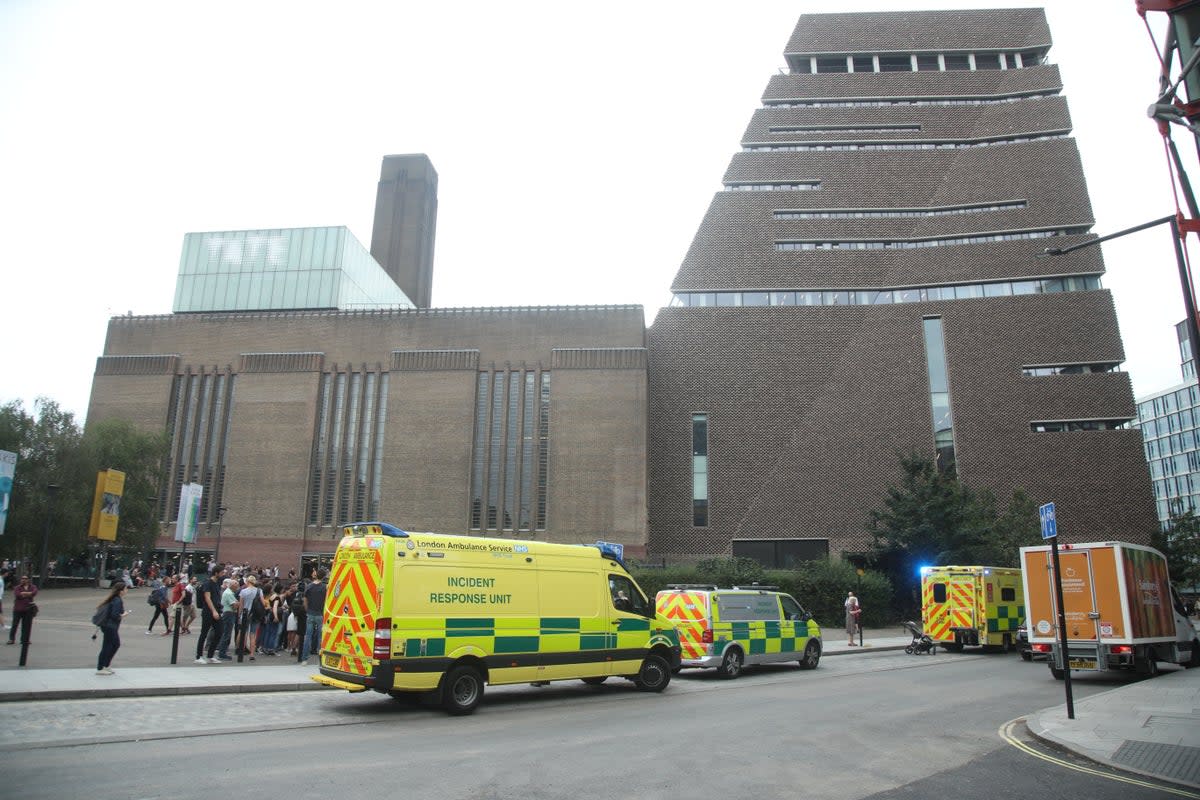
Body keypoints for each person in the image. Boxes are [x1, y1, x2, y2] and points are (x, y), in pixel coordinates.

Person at [95, 580, 131, 674]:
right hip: (110, 626)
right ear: (121, 591)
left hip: (107, 625)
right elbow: (115, 615)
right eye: (125, 588)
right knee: (112, 645)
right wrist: (124, 615)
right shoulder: (117, 600)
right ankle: (102, 667)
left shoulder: (114, 599)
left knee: (109, 645)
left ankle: (105, 665)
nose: (127, 590)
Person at [195, 566, 225, 663]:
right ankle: (199, 656)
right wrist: (214, 611)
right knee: (204, 633)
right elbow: (207, 598)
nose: (222, 574)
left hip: (216, 610)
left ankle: (210, 655)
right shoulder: (208, 583)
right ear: (216, 573)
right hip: (208, 611)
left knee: (220, 631)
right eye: (221, 572)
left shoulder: (217, 583)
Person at [302, 568, 327, 662]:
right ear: (324, 577)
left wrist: (307, 609)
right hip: (320, 614)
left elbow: (305, 599)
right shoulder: (325, 587)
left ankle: (304, 659)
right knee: (320, 636)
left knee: (308, 636)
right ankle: (321, 659)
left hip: (310, 613)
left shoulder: (309, 586)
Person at [6, 574, 38, 646]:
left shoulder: (33, 587)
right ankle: (11, 639)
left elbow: (34, 593)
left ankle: (25, 639)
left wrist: (24, 593)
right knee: (14, 624)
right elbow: (18, 595)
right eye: (22, 578)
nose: (23, 580)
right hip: (18, 609)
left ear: (28, 580)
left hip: (28, 609)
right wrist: (28, 594)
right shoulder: (17, 587)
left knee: (26, 625)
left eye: (25, 578)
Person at [238, 574, 263, 660]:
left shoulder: (243, 591)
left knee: (243, 633)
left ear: (248, 582)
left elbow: (241, 605)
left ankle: (241, 650)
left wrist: (239, 615)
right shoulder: (259, 591)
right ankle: (252, 654)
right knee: (253, 635)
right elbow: (263, 603)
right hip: (255, 615)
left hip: (245, 614)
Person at [216, 578, 239, 662]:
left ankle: (222, 652)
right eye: (236, 585)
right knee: (226, 634)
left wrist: (237, 603)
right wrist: (237, 603)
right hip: (229, 614)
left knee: (226, 633)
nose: (238, 587)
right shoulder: (229, 593)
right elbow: (234, 605)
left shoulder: (228, 592)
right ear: (233, 586)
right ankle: (222, 653)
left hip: (227, 613)